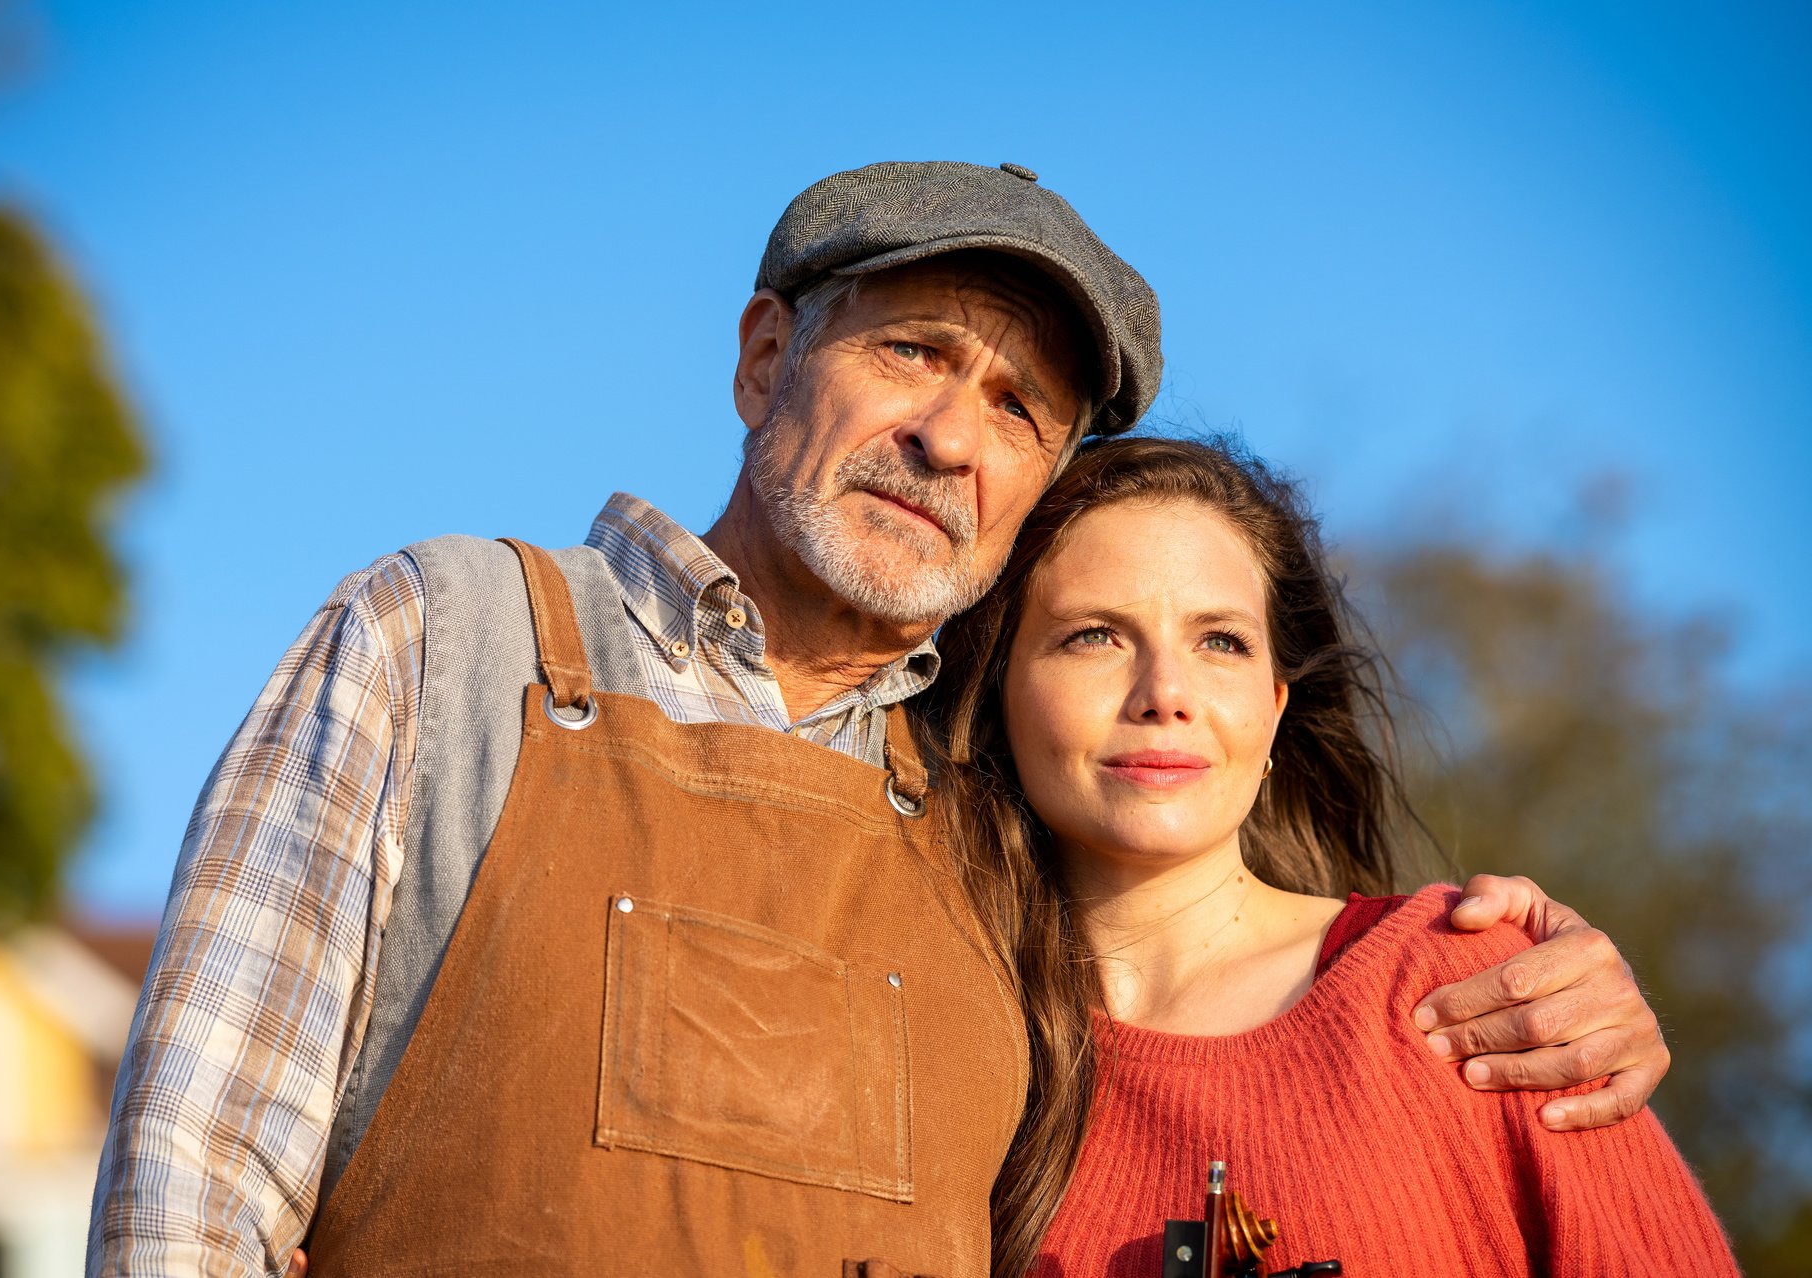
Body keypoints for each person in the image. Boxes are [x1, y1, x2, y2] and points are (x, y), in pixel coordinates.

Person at [88, 163, 1671, 1278]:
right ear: (766, 357)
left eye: (1017, 409)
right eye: (912, 348)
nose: (946, 435)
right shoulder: (445, 639)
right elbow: (188, 1191)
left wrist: (1548, 981)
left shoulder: (996, 833)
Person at [921, 435, 1736, 1277]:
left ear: (1274, 708)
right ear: (997, 690)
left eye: (1221, 642)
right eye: (1094, 636)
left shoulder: (1472, 993)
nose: (1164, 693)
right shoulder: (920, 1044)